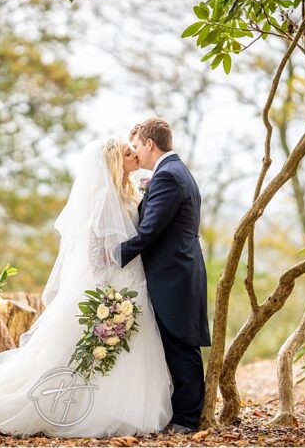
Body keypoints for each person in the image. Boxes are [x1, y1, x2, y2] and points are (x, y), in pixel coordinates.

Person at [0, 137, 173, 437]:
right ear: (115, 162)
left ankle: (125, 409)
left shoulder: (127, 192)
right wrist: (109, 291)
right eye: (129, 154)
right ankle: (87, 410)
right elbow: (94, 252)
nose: (134, 157)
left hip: (132, 282)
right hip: (114, 286)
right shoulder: (104, 198)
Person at [118, 117, 211, 434]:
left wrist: (112, 258)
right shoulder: (175, 172)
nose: (135, 154)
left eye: (136, 147)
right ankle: (183, 414)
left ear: (149, 144)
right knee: (177, 343)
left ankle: (187, 419)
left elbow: (148, 233)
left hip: (174, 274)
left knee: (180, 344)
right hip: (179, 270)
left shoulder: (168, 176)